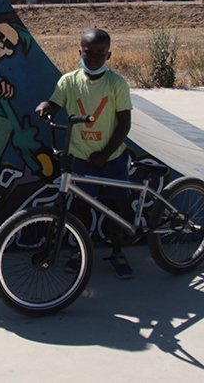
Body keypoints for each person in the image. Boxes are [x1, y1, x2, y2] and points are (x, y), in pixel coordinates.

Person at [35, 28, 134, 279]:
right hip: (80, 158)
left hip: (112, 158)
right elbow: (54, 104)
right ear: (80, 52)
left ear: (109, 55)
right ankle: (81, 251)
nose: (94, 57)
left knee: (114, 208)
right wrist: (45, 106)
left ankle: (117, 251)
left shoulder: (116, 84)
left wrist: (105, 153)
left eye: (101, 53)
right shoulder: (68, 81)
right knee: (80, 208)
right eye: (88, 52)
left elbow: (124, 124)